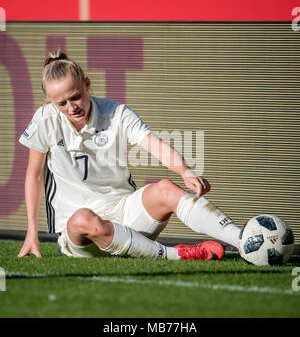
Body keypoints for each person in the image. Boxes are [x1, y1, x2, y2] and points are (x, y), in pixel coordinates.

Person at [17, 51, 241, 261]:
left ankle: (242, 240)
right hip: (80, 235)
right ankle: (177, 254)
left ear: (87, 85)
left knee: (165, 188)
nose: (71, 107)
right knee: (83, 218)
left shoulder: (116, 112)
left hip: (126, 215)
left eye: (75, 97)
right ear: (49, 102)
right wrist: (31, 233)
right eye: (61, 104)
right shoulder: (44, 119)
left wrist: (185, 171)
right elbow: (34, 175)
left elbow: (155, 145)